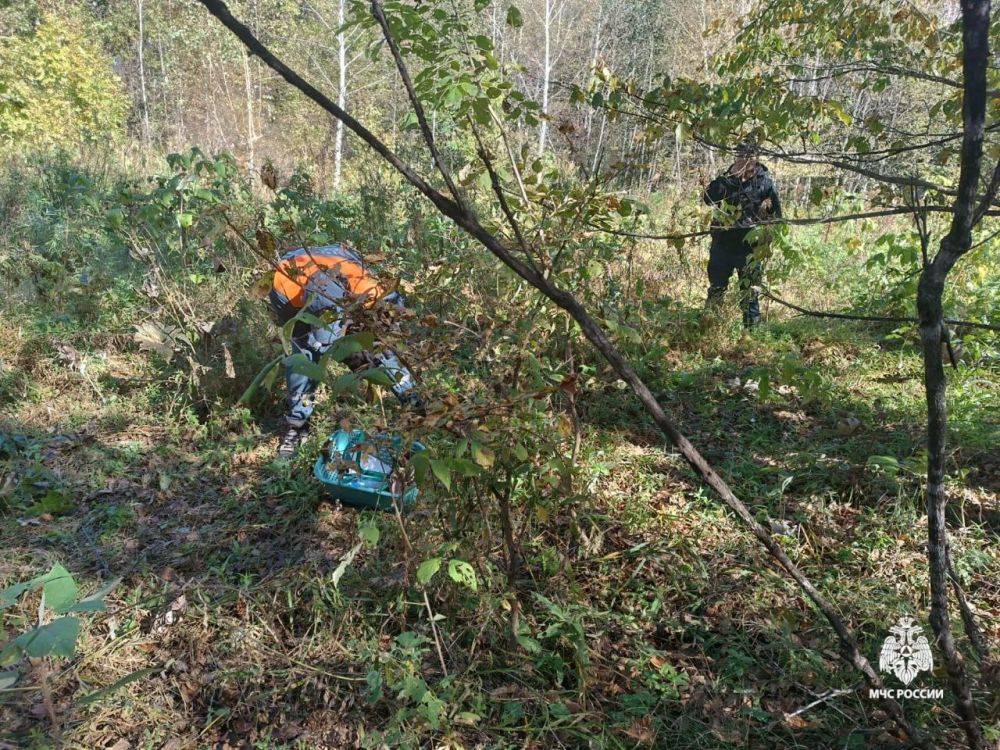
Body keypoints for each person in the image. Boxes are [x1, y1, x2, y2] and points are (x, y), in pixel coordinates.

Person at [267, 244, 423, 458]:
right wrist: (320, 343)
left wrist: (378, 341)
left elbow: (393, 316)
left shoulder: (368, 289)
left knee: (383, 349)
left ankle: (414, 402)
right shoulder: (284, 287)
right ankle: (297, 425)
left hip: (340, 279)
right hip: (294, 292)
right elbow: (302, 344)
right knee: (302, 359)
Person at [702, 139, 782, 328]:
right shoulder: (725, 180)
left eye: (747, 156)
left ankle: (750, 337)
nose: (743, 159)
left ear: (755, 158)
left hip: (750, 251)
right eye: (739, 155)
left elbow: (776, 216)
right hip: (722, 245)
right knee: (716, 290)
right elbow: (708, 198)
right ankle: (708, 330)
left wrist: (764, 238)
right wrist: (729, 177)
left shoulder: (765, 183)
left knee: (750, 296)